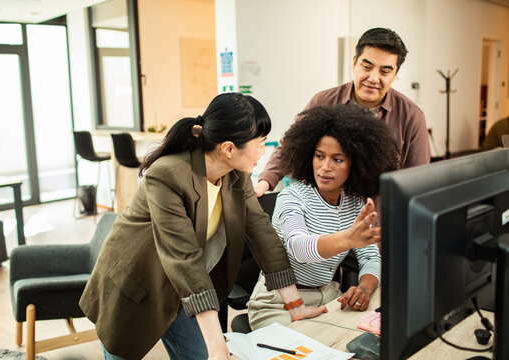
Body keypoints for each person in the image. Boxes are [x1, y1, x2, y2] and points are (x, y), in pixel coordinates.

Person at [79, 93, 327, 360]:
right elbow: (184, 257)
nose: (263, 152)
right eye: (260, 143)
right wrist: (218, 346)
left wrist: (294, 304)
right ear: (229, 148)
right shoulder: (167, 175)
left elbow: (262, 233)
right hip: (136, 285)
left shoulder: (236, 176)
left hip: (187, 289)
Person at [248, 104, 400, 330]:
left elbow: (370, 257)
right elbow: (299, 247)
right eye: (319, 156)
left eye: (337, 159)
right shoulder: (292, 198)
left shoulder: (355, 203)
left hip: (329, 295)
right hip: (278, 303)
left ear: (356, 164)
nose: (324, 167)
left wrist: (365, 288)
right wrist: (349, 238)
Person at [254, 27, 430, 197]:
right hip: (324, 216)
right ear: (354, 63)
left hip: (379, 220)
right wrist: (265, 182)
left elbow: (418, 182)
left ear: (395, 74)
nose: (373, 78)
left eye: (384, 71)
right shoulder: (323, 101)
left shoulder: (411, 117)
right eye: (367, 67)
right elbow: (289, 147)